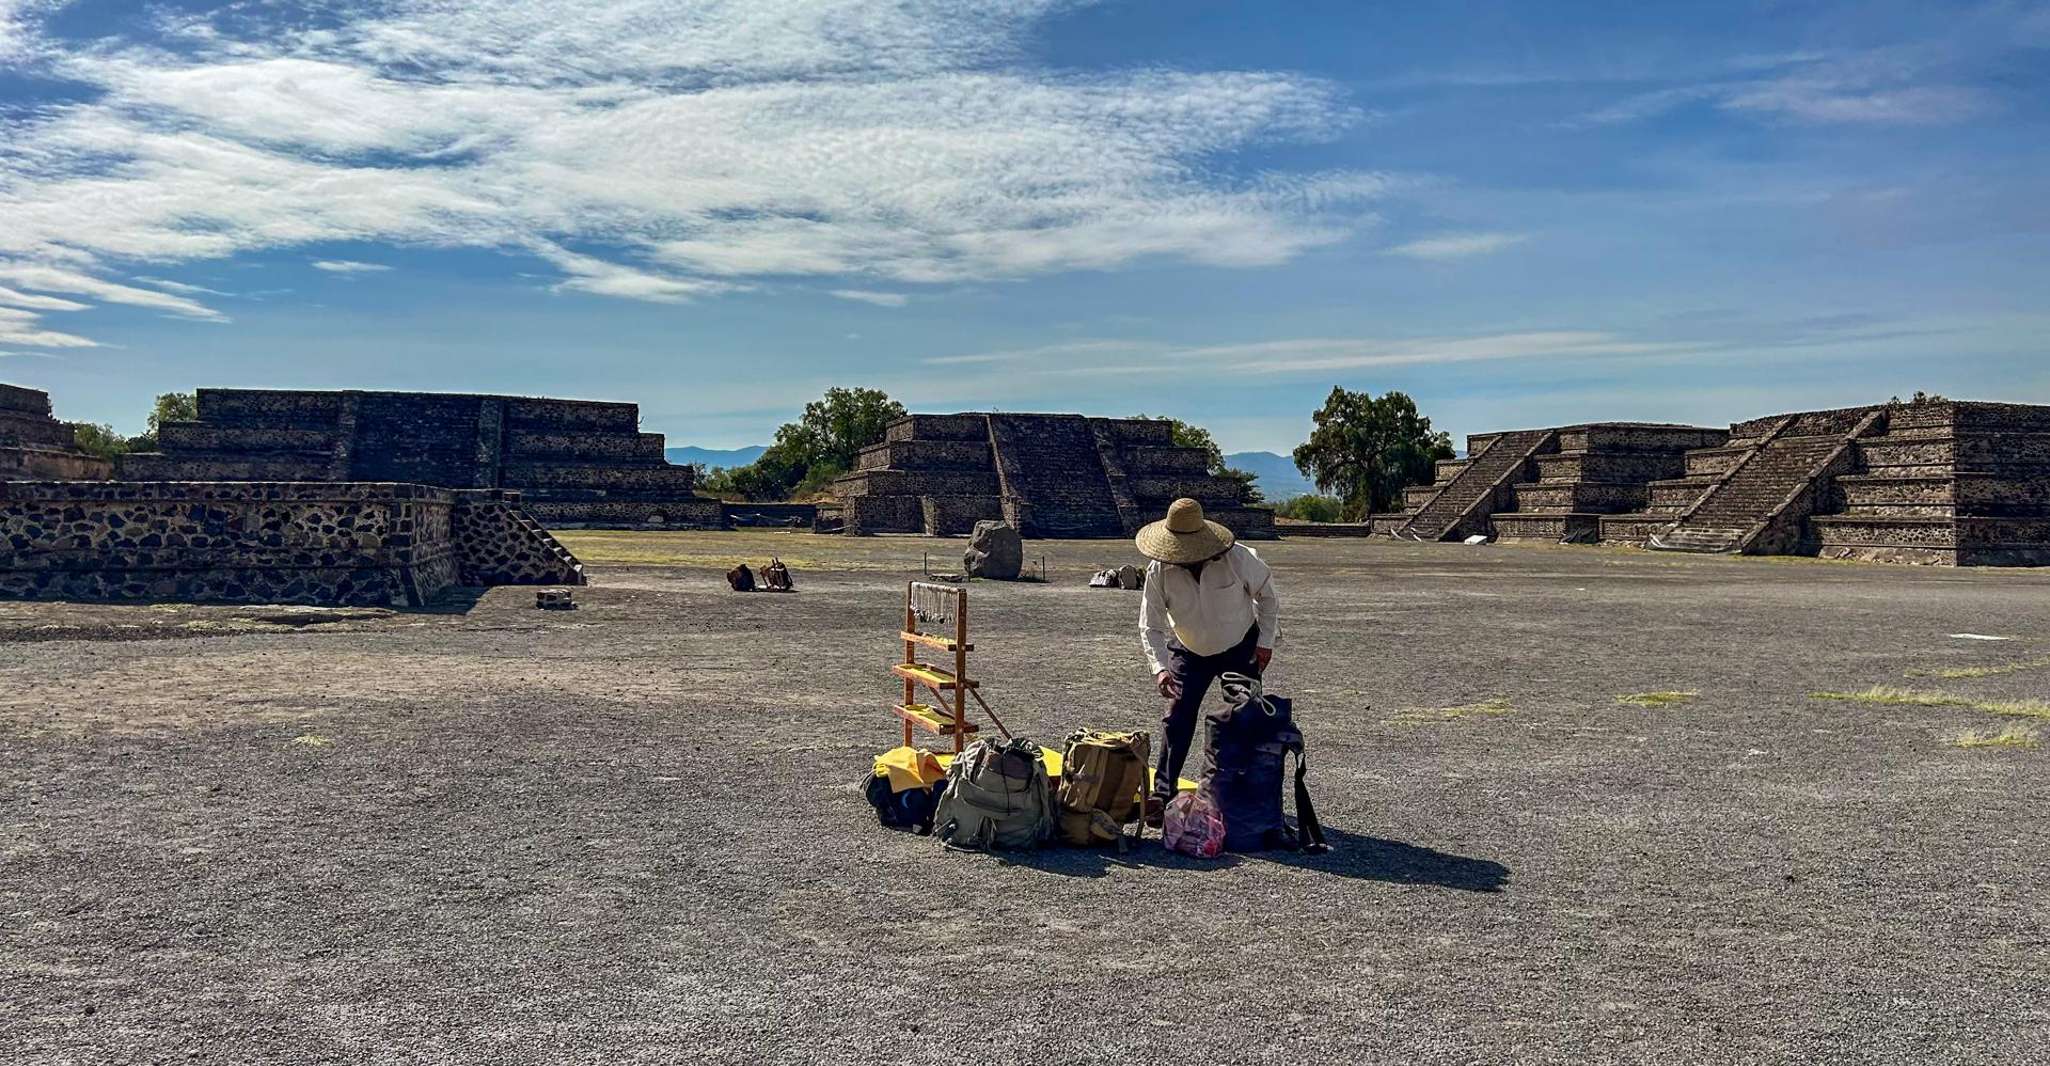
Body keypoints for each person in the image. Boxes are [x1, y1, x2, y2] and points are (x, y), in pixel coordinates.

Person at [1135, 497, 1279, 821]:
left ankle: (1242, 797)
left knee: (1245, 720)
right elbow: (1150, 624)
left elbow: (1268, 598)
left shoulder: (1239, 558)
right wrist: (1159, 669)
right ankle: (1163, 794)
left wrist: (1265, 644)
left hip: (1240, 647)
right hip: (1188, 648)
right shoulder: (1159, 569)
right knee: (1176, 718)